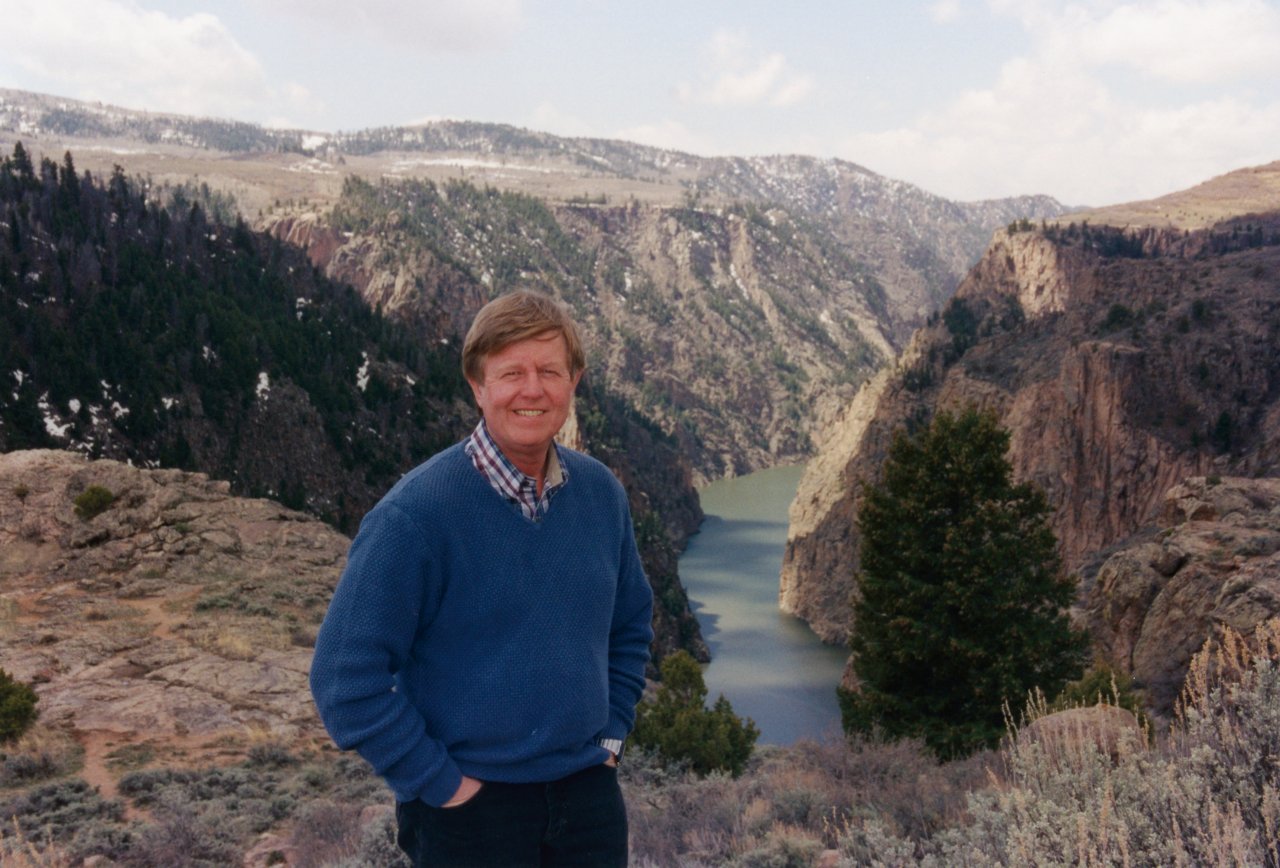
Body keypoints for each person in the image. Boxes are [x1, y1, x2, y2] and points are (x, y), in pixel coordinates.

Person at [309, 289, 654, 867]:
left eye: (549, 370)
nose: (532, 389)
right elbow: (344, 679)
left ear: (575, 381)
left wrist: (611, 739)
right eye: (510, 372)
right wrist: (442, 785)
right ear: (477, 386)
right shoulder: (415, 516)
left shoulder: (601, 496)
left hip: (588, 799)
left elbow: (631, 626)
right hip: (469, 814)